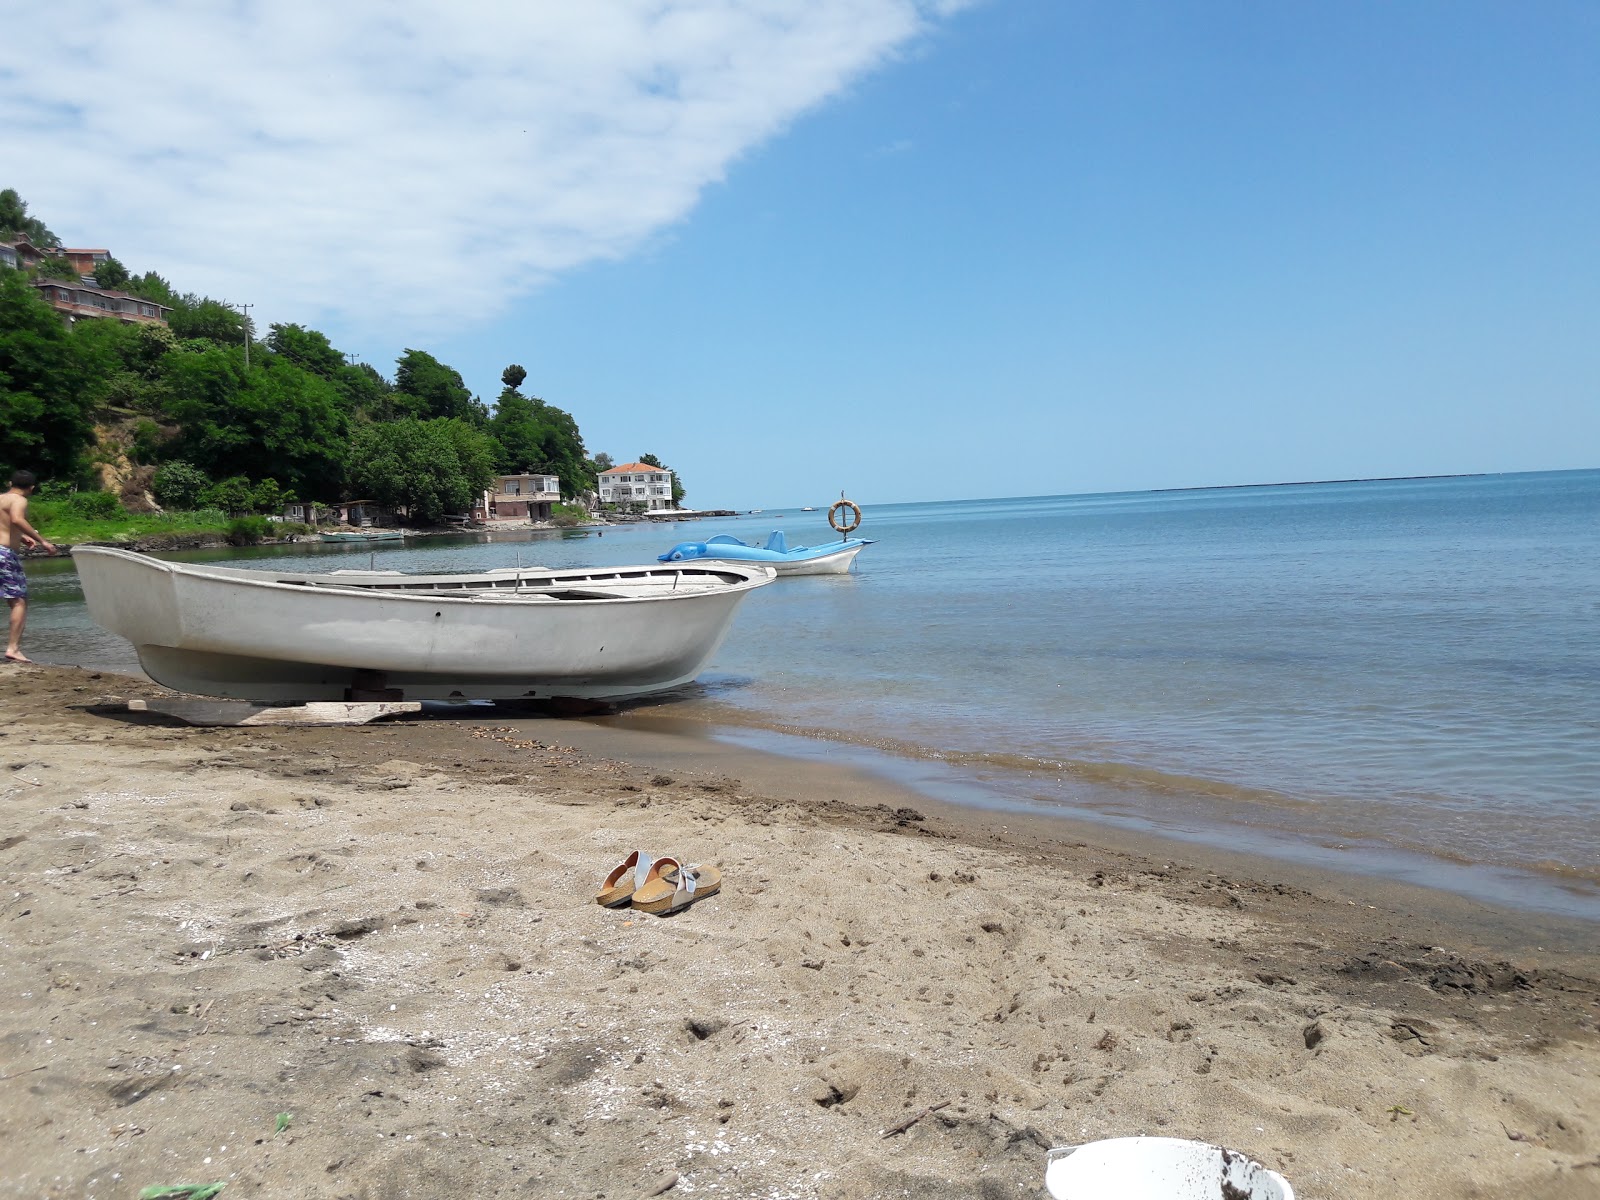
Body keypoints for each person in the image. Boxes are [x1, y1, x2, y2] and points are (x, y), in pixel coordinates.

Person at [0, 470, 57, 663]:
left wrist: (22, 537)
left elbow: (6, 524)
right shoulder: (19, 500)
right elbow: (16, 519)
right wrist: (42, 540)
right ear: (31, 488)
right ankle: (13, 648)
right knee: (18, 601)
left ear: (10, 483)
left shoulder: (1, 498)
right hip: (4, 554)